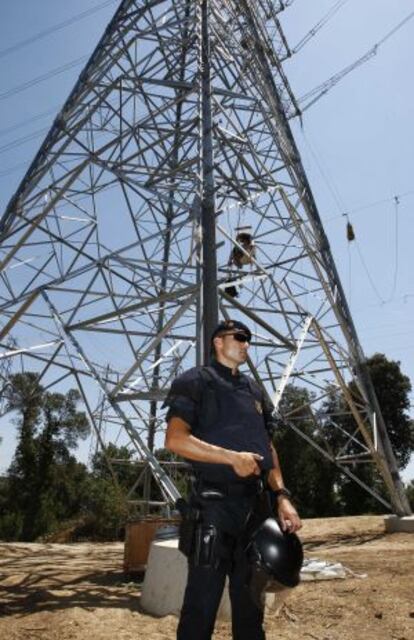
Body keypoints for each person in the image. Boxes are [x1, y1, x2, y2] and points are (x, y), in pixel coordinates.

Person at [164, 319, 302, 640]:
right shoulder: (196, 381)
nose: (246, 344)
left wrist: (281, 496)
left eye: (249, 339)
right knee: (200, 609)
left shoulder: (254, 390)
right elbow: (175, 440)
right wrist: (231, 458)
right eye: (239, 337)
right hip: (213, 510)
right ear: (218, 342)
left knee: (251, 611)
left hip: (255, 510)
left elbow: (267, 449)